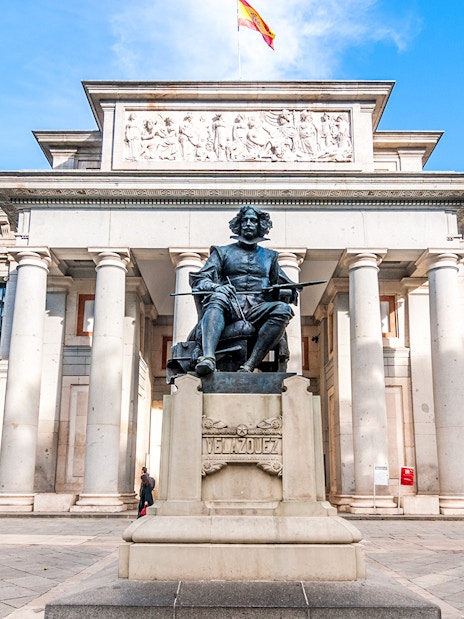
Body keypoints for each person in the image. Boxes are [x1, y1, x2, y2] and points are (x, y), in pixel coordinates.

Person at [189, 205, 298, 375]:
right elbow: (199, 280)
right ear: (238, 225)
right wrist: (217, 287)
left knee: (283, 309)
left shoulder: (270, 257)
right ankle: (208, 359)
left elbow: (287, 287)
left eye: (253, 220)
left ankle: (250, 364)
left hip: (258, 309)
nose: (248, 224)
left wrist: (287, 291)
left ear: (260, 225)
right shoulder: (222, 252)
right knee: (217, 297)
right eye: (244, 220)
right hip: (230, 306)